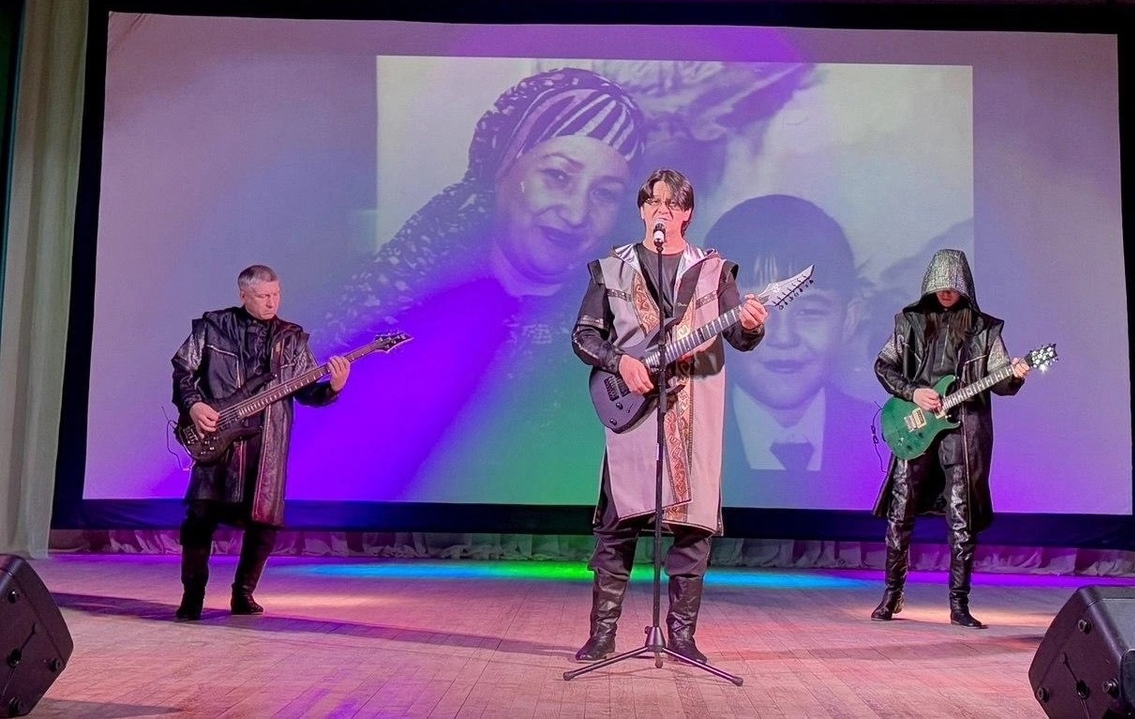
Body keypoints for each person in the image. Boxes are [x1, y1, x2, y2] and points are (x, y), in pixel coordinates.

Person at [306, 67, 646, 504]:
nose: (576, 212)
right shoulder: (412, 297)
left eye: (604, 193)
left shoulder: (619, 325)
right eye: (558, 176)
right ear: (503, 170)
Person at [570, 168, 769, 663]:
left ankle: (681, 636)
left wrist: (751, 324)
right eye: (653, 202)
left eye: (672, 204)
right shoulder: (612, 268)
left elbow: (740, 338)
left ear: (687, 214)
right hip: (634, 411)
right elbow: (584, 336)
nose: (662, 210)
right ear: (642, 210)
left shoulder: (714, 271)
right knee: (617, 524)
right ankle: (603, 634)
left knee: (693, 528)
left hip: (695, 412)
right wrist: (621, 362)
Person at [170, 264, 351, 620]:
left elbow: (307, 392)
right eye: (263, 296)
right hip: (218, 440)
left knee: (264, 524)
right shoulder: (213, 326)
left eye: (276, 294)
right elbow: (183, 371)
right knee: (199, 520)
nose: (272, 302)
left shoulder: (292, 338)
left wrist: (334, 387)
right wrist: (194, 405)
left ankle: (243, 594)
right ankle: (192, 596)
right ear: (244, 295)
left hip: (267, 444)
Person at [870, 249, 1029, 629]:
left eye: (952, 286)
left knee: (961, 518)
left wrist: (1016, 375)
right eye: (940, 285)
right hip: (916, 425)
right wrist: (912, 392)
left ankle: (959, 604)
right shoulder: (909, 322)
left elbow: (1000, 380)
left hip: (962, 430)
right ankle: (891, 594)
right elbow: (883, 365)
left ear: (964, 288)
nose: (945, 292)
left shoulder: (985, 329)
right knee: (900, 512)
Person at [703, 194, 877, 510]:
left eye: (810, 312)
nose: (783, 338)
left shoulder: (880, 435)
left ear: (849, 320)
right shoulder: (686, 436)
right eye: (757, 312)